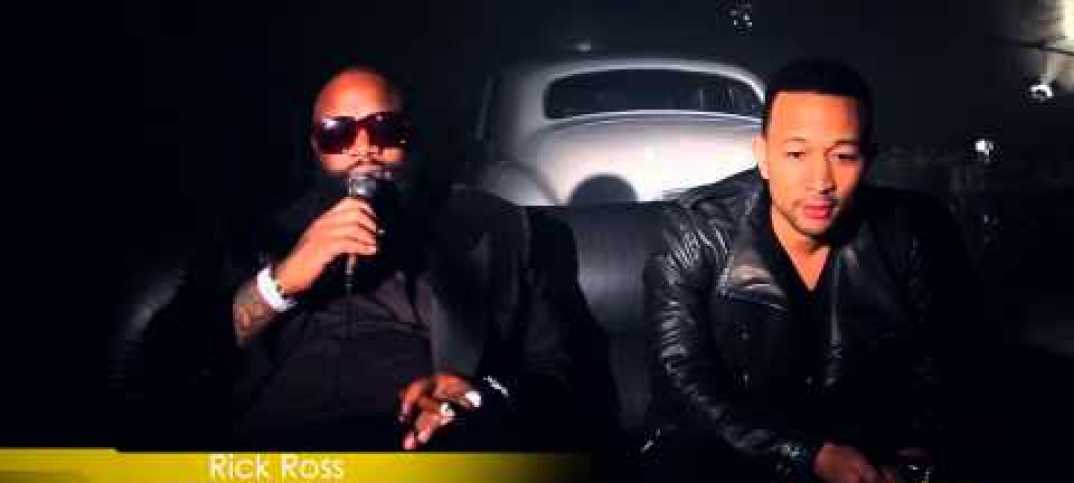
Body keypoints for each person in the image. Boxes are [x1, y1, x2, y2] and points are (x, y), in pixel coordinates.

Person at [133, 66, 572, 451]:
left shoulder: (498, 227)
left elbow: (560, 374)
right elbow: (158, 366)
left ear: (412, 136)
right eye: (337, 134)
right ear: (315, 147)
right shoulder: (256, 232)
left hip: (419, 456)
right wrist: (279, 283)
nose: (363, 149)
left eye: (384, 129)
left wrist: (476, 397)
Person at [643, 59, 970, 482]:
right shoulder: (696, 231)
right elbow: (680, 382)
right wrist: (808, 455)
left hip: (867, 457)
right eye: (796, 154)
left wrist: (913, 456)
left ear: (868, 160)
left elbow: (943, 364)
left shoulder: (911, 230)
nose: (820, 181)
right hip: (724, 462)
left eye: (843, 156)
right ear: (763, 157)